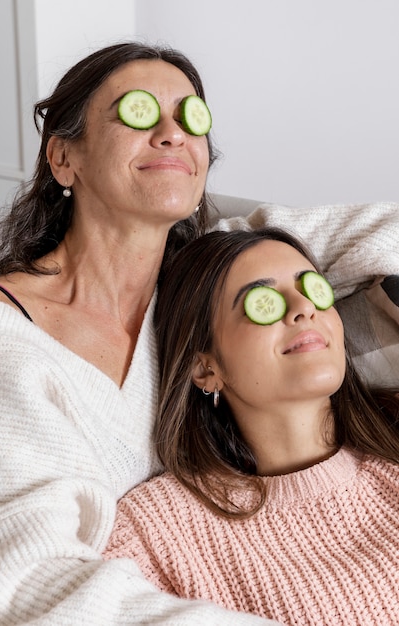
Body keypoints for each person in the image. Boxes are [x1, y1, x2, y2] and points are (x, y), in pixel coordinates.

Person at [0, 42, 282, 625]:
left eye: (191, 116)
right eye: (139, 111)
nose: (174, 132)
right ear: (64, 158)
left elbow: (364, 232)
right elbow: (23, 576)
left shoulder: (213, 286)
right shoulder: (0, 336)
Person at [104, 227, 399, 626]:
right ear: (205, 368)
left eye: (313, 288)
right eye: (264, 301)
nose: (303, 308)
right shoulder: (157, 532)